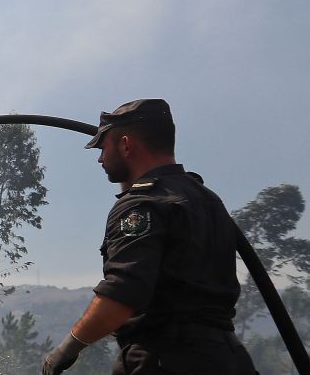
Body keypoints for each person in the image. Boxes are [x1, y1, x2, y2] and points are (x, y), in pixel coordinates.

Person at [41, 99, 255, 375]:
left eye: (103, 148)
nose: (100, 158)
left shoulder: (142, 202)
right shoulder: (207, 199)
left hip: (167, 359)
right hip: (230, 358)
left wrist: (64, 352)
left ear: (126, 145)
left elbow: (123, 292)